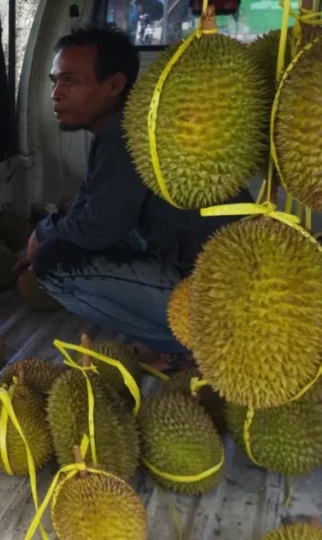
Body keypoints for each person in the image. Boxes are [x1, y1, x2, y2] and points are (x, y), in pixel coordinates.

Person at [14, 27, 245, 355]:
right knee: (64, 241)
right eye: (54, 81)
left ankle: (192, 349)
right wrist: (48, 229)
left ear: (114, 85)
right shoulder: (132, 124)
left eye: (70, 81)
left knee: (52, 264)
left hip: (215, 287)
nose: (56, 94)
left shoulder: (125, 134)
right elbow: (91, 196)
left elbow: (98, 228)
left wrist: (44, 235)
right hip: (218, 268)